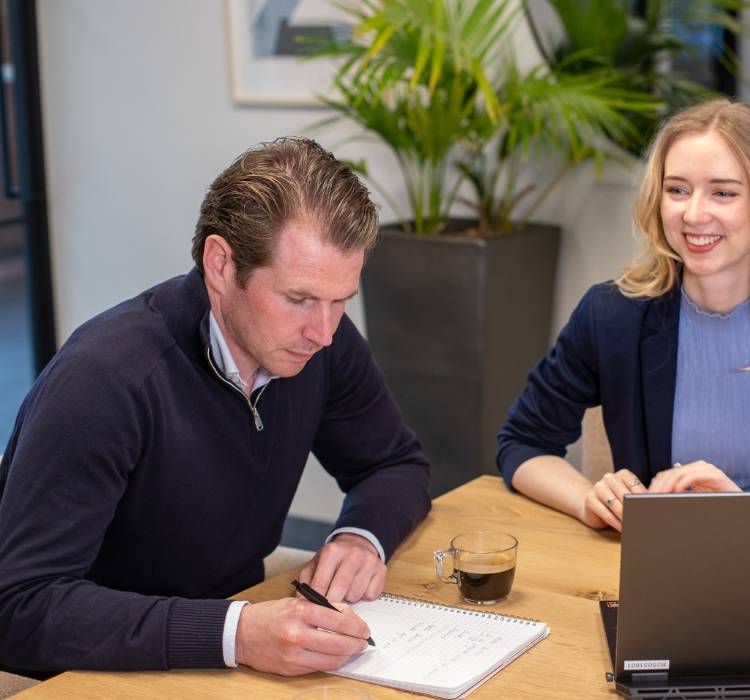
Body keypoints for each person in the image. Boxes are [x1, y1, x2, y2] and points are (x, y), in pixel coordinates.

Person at [0, 138, 431, 677]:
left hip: (234, 645)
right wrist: (234, 633)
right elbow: (18, 610)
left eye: (340, 301)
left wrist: (360, 537)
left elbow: (394, 464)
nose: (323, 332)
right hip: (104, 672)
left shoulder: (320, 342)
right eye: (298, 299)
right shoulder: (105, 380)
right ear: (221, 265)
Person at [497, 98, 750, 531]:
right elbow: (522, 441)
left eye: (723, 193)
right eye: (677, 190)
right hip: (653, 558)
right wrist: (588, 501)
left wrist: (746, 512)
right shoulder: (613, 314)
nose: (693, 214)